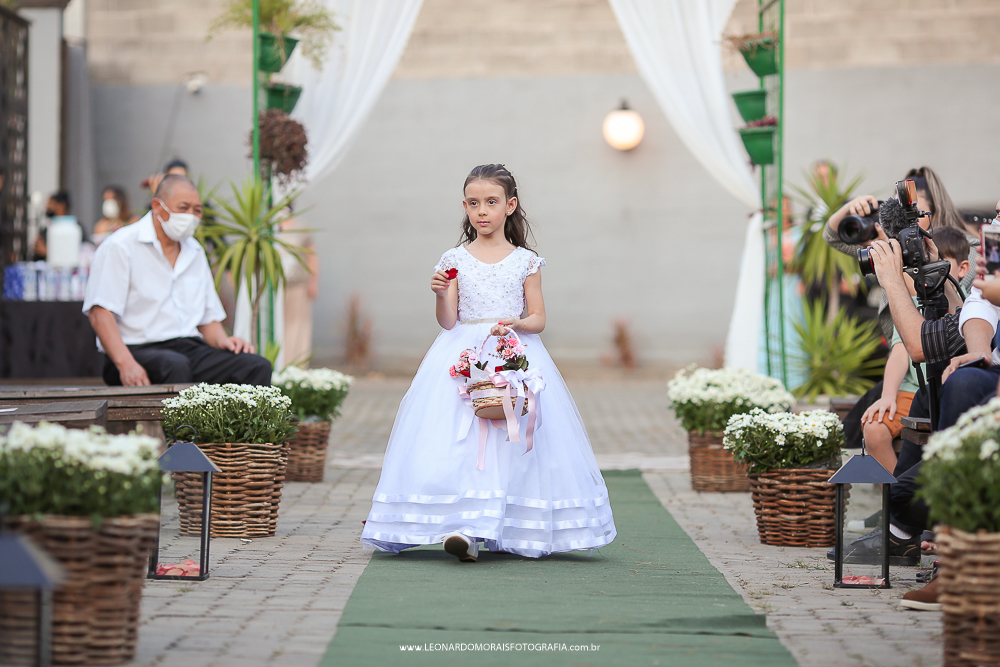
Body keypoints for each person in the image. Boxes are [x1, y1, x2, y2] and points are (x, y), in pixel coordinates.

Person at [359, 164, 617, 562]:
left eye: (491, 202)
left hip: (513, 348)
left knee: (509, 437)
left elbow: (539, 318)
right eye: (474, 203)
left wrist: (518, 323)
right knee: (459, 438)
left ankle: (505, 523)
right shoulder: (454, 258)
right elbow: (448, 321)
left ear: (510, 206)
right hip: (463, 351)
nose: (482, 211)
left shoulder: (526, 261)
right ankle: (465, 525)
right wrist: (440, 294)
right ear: (465, 207)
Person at [82, 174, 272, 387]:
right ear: (157, 206)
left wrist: (224, 341)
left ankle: (244, 422)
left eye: (197, 210)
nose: (191, 216)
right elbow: (100, 314)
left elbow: (208, 319)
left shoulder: (195, 251)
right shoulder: (120, 246)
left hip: (189, 349)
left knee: (256, 366)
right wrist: (125, 363)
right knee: (176, 365)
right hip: (136, 350)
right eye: (183, 208)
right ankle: (181, 423)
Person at [860, 227, 971, 472]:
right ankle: (897, 495)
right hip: (913, 391)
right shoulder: (910, 305)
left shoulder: (968, 304)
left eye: (940, 263)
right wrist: (888, 395)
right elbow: (900, 353)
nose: (930, 271)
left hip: (950, 392)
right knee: (874, 428)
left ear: (962, 269)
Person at [278, 210, 319, 367]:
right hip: (275, 288)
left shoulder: (301, 228)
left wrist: (313, 282)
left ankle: (296, 365)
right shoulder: (269, 227)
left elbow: (311, 255)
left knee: (297, 326)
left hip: (297, 286)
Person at [33, 190, 71, 260]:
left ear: (61, 206)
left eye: (50, 203)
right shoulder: (47, 228)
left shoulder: (74, 228)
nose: (47, 207)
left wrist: (48, 253)